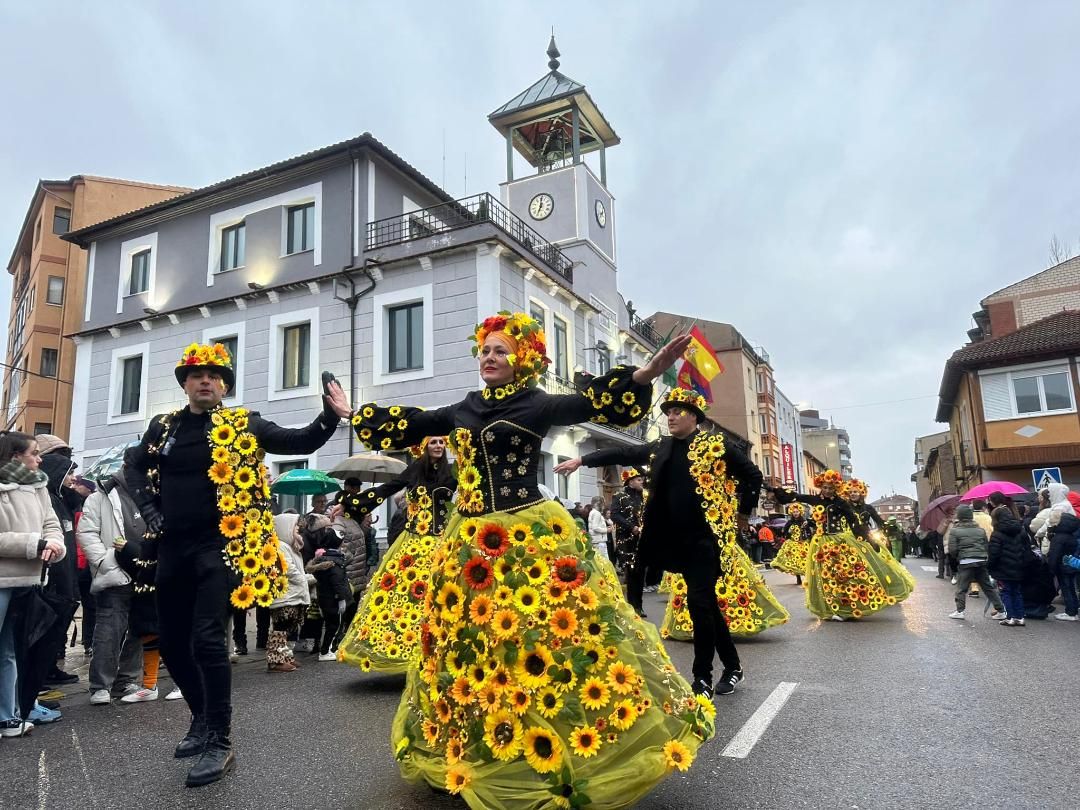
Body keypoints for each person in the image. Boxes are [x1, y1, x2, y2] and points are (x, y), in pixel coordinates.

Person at [351, 314, 715, 807]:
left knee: (542, 637)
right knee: (472, 643)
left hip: (525, 535)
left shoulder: (537, 403)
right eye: (485, 350)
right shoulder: (464, 407)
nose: (489, 357)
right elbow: (415, 422)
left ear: (520, 359)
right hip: (469, 541)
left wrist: (645, 374)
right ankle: (482, 740)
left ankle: (564, 738)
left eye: (500, 350)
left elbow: (588, 403)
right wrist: (351, 412)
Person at [122, 342, 349, 787]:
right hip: (172, 548)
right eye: (197, 375)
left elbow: (297, 440)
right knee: (171, 643)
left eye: (214, 375)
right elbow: (133, 468)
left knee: (208, 640)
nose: (205, 381)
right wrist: (149, 508)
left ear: (224, 386)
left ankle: (220, 740)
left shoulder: (244, 424)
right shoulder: (164, 427)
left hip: (218, 548)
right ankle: (201, 719)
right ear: (185, 384)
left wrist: (328, 416)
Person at [558, 387, 777, 690]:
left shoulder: (716, 445)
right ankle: (733, 666)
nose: (671, 417)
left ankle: (702, 678)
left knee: (698, 603)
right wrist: (582, 460)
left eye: (677, 412)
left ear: (695, 417)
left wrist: (742, 514)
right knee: (706, 604)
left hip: (706, 539)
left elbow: (752, 475)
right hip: (675, 541)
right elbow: (624, 453)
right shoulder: (661, 446)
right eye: (668, 413)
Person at [335, 436, 456, 673]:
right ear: (424, 447)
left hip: (443, 541)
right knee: (409, 596)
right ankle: (407, 651)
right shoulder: (414, 470)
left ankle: (444, 650)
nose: (438, 446)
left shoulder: (452, 472)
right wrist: (349, 503)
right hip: (415, 541)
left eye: (441, 442)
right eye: (433, 442)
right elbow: (384, 490)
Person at [771, 471, 913, 621]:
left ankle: (846, 607)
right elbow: (796, 496)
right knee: (825, 577)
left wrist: (868, 539)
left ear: (836, 489)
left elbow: (854, 522)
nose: (827, 491)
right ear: (821, 487)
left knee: (842, 575)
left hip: (838, 543)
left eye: (831, 488)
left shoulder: (841, 503)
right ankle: (833, 607)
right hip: (820, 544)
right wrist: (774, 490)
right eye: (825, 487)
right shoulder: (815, 499)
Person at [0, 432, 66, 737]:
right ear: (16, 457)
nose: (40, 459)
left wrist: (54, 544)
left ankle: (8, 716)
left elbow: (52, 524)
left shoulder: (39, 486)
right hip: (3, 579)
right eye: (34, 453)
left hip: (30, 580)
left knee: (12, 651)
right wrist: (35, 544)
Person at [76, 469, 145, 704]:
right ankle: (100, 685)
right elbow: (87, 533)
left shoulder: (149, 493)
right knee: (109, 629)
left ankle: (126, 680)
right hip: (114, 572)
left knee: (138, 628)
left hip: (143, 571)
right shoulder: (99, 497)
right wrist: (105, 562)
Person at [36, 436, 81, 687]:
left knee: (55, 630)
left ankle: (48, 669)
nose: (73, 477)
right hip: (50, 578)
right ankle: (38, 677)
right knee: (42, 631)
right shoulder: (47, 499)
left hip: (65, 576)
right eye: (68, 470)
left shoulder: (62, 499)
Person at [265, 512, 309, 672]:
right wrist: (304, 579)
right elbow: (289, 569)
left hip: (293, 595)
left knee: (288, 629)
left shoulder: (290, 546)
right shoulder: (281, 546)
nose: (298, 528)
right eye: (295, 525)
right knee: (280, 629)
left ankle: (286, 657)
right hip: (285, 596)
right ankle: (275, 661)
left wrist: (305, 578)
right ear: (285, 527)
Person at [945, 505, 1007, 621]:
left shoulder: (955, 531)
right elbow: (985, 545)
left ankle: (960, 611)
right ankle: (1001, 610)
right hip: (981, 560)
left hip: (965, 561)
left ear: (960, 516)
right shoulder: (980, 530)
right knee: (988, 587)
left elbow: (952, 549)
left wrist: (958, 557)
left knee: (962, 588)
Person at [988, 501, 1029, 626]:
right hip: (1018, 567)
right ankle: (1020, 617)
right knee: (1017, 592)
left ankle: (1010, 616)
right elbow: (1026, 548)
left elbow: (994, 553)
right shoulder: (1020, 530)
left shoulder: (997, 534)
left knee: (1005, 592)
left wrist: (990, 567)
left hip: (1003, 568)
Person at [1043, 483, 1080, 621]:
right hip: (1070, 566)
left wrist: (1051, 568)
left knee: (1066, 588)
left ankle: (1071, 612)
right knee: (1071, 587)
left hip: (1062, 567)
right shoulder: (1071, 536)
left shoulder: (1058, 537)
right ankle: (1074, 609)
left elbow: (1055, 554)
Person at [610, 468, 645, 577]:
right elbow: (614, 515)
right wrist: (631, 527)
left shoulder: (642, 497)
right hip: (625, 536)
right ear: (631, 482)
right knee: (628, 564)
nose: (642, 482)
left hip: (640, 536)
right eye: (639, 480)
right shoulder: (619, 496)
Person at [772, 503, 811, 585]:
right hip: (793, 543)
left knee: (805, 560)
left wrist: (808, 537)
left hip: (803, 543)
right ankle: (798, 577)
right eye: (794, 512)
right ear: (791, 513)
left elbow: (809, 532)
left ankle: (807, 577)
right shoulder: (789, 522)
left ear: (800, 512)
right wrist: (787, 532)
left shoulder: (804, 521)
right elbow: (784, 532)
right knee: (795, 561)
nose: (795, 513)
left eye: (797, 512)